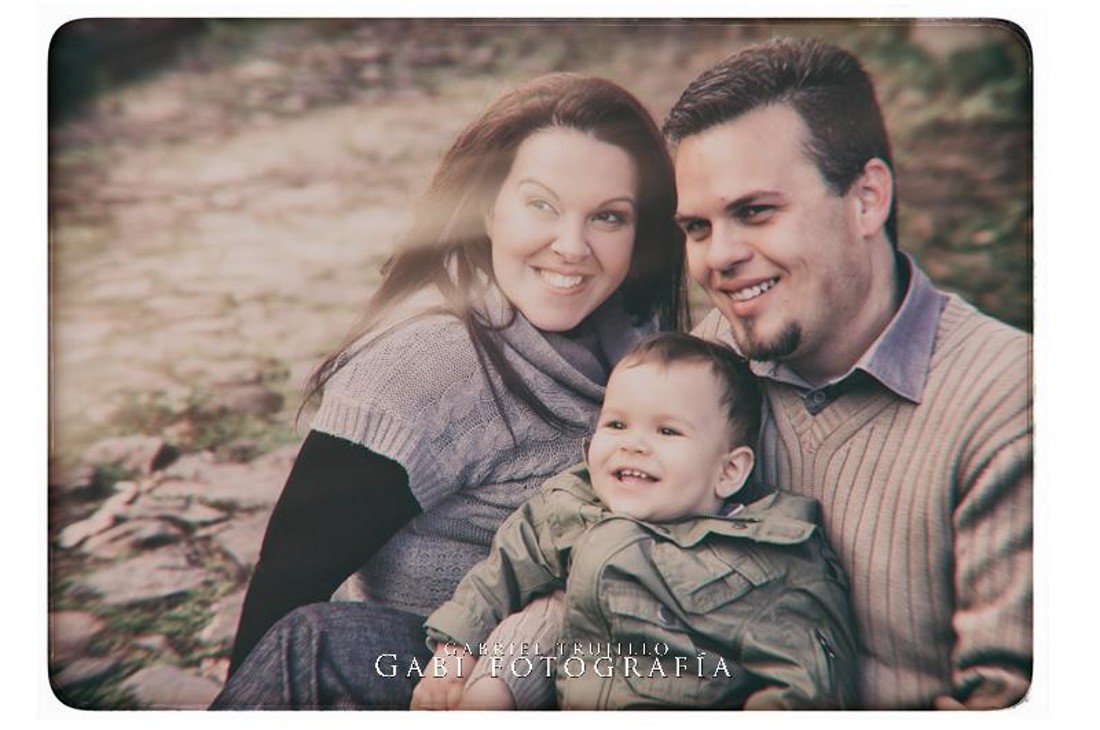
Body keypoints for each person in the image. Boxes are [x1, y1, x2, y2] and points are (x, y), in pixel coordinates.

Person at [210, 72, 687, 709]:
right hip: (438, 683)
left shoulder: (650, 356)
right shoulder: (428, 366)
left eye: (608, 217)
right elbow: (290, 582)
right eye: (542, 205)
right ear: (491, 208)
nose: (571, 247)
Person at [662, 37, 1032, 710]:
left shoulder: (1010, 401)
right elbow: (608, 553)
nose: (720, 257)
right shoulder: (708, 362)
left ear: (867, 199)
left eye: (755, 212)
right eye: (697, 227)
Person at [409, 332, 858, 710]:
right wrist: (452, 657)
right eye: (617, 425)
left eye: (667, 431)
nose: (634, 445)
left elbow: (807, 681)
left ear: (729, 471)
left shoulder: (766, 558)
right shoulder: (572, 507)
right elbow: (495, 579)